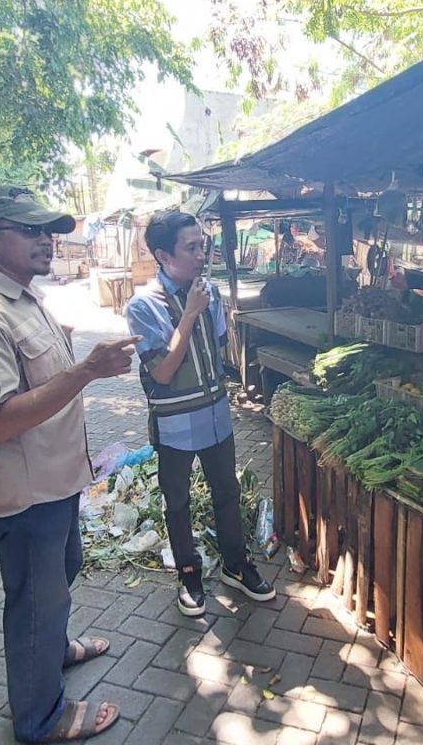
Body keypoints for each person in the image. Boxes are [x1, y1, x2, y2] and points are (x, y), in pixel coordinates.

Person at [0, 185, 138, 743]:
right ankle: (41, 718)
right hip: (23, 495)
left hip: (54, 481)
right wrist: (85, 371)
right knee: (35, 601)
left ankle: (53, 650)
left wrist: (70, 356)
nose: (45, 240)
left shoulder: (21, 298)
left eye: (48, 230)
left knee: (63, 573)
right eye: (29, 230)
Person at [125, 210, 275, 617]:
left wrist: (204, 308)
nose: (201, 254)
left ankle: (235, 565)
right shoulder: (143, 307)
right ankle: (189, 574)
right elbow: (163, 370)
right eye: (191, 248)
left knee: (227, 491)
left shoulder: (210, 293)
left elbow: (219, 349)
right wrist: (189, 313)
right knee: (177, 501)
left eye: (202, 244)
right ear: (162, 255)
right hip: (175, 423)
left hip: (215, 416)